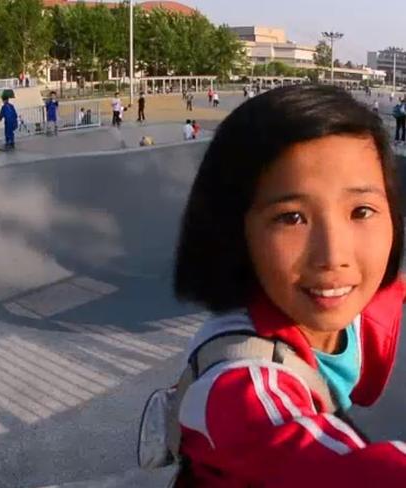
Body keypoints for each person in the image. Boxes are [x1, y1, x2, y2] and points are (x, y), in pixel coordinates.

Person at [172, 84, 406, 487]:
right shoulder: (237, 385)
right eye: (291, 218)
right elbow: (332, 468)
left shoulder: (363, 297)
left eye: (362, 210)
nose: (334, 255)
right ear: (234, 231)